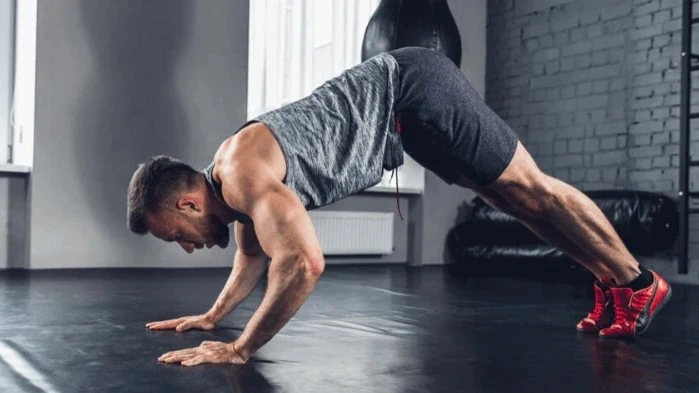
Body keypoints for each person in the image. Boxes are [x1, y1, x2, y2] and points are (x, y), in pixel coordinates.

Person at [127, 47, 671, 367]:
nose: (185, 245)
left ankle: (637, 280)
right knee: (514, 203)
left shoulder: (242, 173)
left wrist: (241, 349)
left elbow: (303, 263)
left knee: (533, 189)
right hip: (404, 119)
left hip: (411, 88)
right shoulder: (231, 192)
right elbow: (252, 258)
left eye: (175, 232)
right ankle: (611, 281)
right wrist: (212, 319)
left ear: (188, 200)